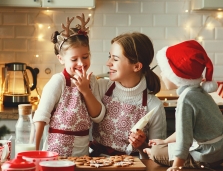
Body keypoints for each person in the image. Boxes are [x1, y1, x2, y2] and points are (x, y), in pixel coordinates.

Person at [143, 40, 223, 171]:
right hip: (219, 150)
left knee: (156, 151)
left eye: (164, 71)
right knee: (162, 146)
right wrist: (165, 142)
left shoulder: (186, 99)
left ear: (177, 76)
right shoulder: (199, 92)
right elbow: (185, 130)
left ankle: (155, 154)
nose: (161, 75)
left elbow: (185, 138)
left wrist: (176, 167)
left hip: (207, 155)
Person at [33, 14, 105, 157]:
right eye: (74, 59)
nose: (81, 63)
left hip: (82, 151)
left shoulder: (92, 82)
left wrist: (86, 91)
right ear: (61, 59)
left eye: (85, 57)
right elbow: (41, 117)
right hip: (56, 150)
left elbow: (98, 116)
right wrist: (34, 151)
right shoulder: (58, 81)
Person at [90, 32, 167, 159]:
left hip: (133, 168)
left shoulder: (154, 106)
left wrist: (142, 146)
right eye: (110, 57)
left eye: (115, 59)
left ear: (136, 66)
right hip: (97, 162)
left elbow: (157, 156)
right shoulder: (101, 87)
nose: (108, 63)